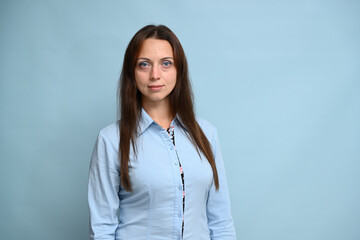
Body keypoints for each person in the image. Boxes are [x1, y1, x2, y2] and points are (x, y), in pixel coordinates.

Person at [88, 24, 236, 240]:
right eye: (144, 64)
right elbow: (101, 228)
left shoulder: (207, 133)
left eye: (166, 64)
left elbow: (221, 222)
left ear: (179, 70)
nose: (155, 75)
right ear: (132, 72)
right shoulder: (111, 140)